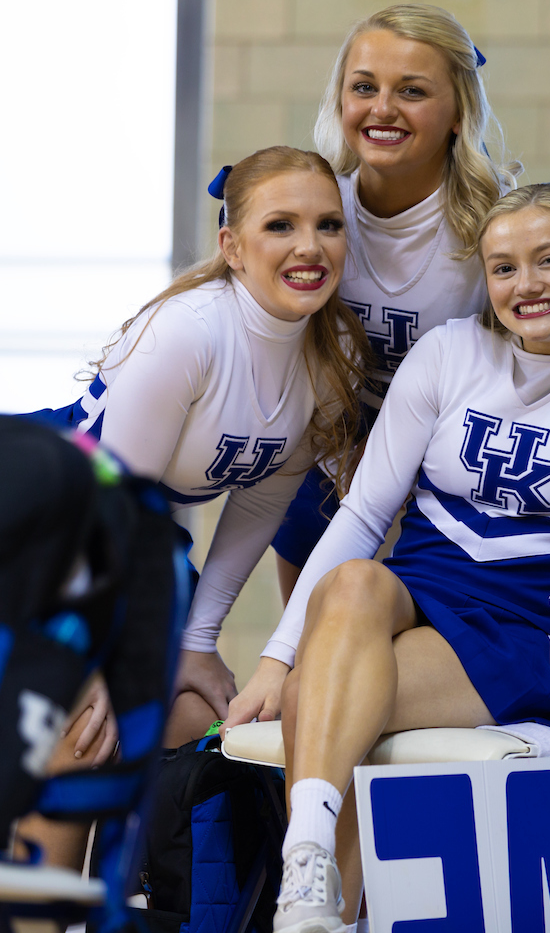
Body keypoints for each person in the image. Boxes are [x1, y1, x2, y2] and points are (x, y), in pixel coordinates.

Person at [224, 184, 550, 933]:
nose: (527, 285)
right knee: (353, 582)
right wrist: (275, 661)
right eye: (505, 267)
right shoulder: (450, 351)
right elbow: (364, 515)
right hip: (405, 595)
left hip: (511, 634)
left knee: (345, 703)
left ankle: (317, 901)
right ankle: (309, 858)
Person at [16, 145, 367, 865]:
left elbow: (258, 508)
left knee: (194, 718)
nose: (309, 247)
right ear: (231, 247)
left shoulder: (332, 362)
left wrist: (195, 643)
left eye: (328, 225)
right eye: (281, 226)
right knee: (81, 733)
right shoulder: (188, 333)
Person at [270, 3, 519, 602]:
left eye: (411, 90)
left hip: (450, 481)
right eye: (364, 87)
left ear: (458, 110)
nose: (382, 109)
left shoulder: (500, 223)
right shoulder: (315, 212)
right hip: (328, 468)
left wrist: (411, 465)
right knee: (305, 669)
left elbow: (532, 379)